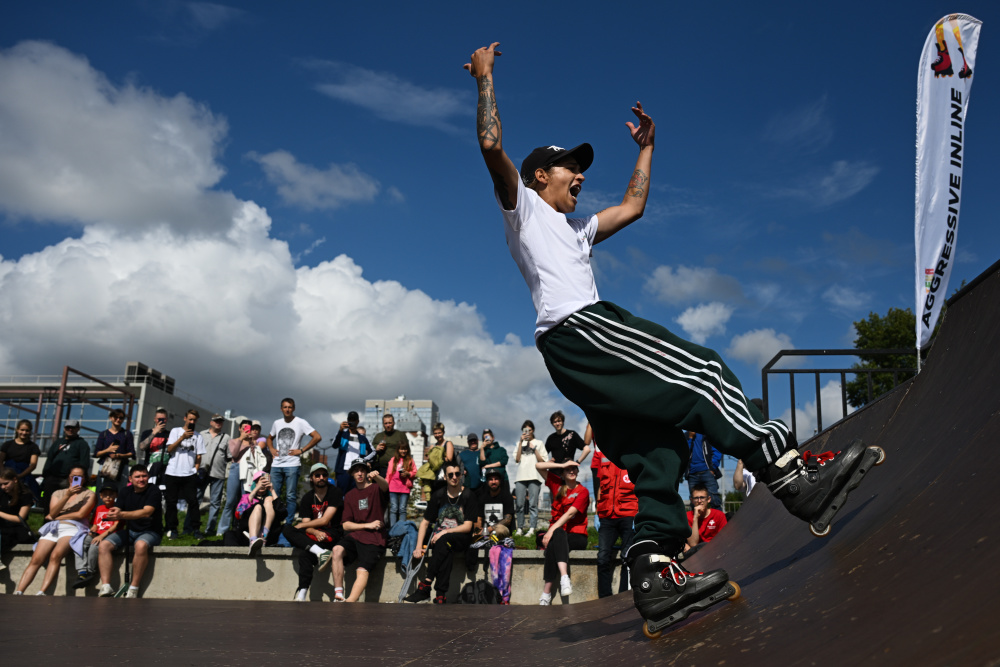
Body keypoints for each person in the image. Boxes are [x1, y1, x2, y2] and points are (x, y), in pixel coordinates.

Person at [467, 43, 875, 628]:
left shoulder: (576, 228)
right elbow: (490, 145)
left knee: (661, 453)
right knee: (703, 372)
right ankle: (790, 475)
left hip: (570, 353)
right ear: (539, 176)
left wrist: (649, 148)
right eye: (569, 168)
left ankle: (655, 571)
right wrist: (485, 79)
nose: (580, 176)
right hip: (582, 329)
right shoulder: (524, 208)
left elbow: (633, 206)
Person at [14, 466, 96, 595]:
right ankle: (19, 591)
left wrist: (58, 516)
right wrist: (67, 495)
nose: (76, 479)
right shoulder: (58, 493)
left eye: (80, 477)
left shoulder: (89, 494)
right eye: (73, 476)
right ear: (69, 477)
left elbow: (81, 515)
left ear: (84, 478)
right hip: (54, 527)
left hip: (74, 527)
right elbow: (52, 512)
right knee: (36, 559)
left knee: (55, 556)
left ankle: (42, 591)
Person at [405, 461, 477, 604]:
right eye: (451, 474)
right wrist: (419, 547)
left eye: (457, 474)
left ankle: (425, 586)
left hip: (462, 538)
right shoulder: (438, 495)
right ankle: (440, 595)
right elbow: (425, 522)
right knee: (444, 548)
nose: (454, 477)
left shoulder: (469, 495)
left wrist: (444, 532)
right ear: (445, 477)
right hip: (442, 541)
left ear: (461, 475)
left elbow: (468, 526)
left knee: (444, 541)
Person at [98, 464, 163, 598]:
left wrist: (121, 515)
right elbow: (118, 509)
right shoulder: (124, 492)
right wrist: (113, 512)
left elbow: (147, 512)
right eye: (137, 476)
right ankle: (106, 586)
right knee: (104, 545)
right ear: (130, 479)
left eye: (144, 476)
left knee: (140, 545)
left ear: (148, 477)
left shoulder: (154, 491)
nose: (141, 479)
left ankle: (134, 588)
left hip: (151, 531)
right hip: (130, 531)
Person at [282, 462, 343, 601]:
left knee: (302, 545)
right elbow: (306, 525)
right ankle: (302, 593)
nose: (321, 477)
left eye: (324, 475)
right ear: (311, 478)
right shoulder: (308, 497)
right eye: (317, 475)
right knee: (287, 530)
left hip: (332, 534)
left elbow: (325, 520)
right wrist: (315, 532)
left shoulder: (335, 492)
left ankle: (320, 552)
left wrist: (303, 526)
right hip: (315, 538)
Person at [331, 460, 389, 602]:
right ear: (352, 474)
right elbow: (345, 525)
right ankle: (338, 593)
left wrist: (377, 477)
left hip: (375, 539)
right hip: (356, 536)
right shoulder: (350, 495)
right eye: (356, 470)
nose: (360, 473)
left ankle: (350, 602)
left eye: (362, 470)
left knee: (361, 570)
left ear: (366, 472)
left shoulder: (375, 488)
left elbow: (386, 486)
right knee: (337, 549)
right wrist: (367, 525)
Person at [532, 461, 589, 605]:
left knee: (556, 535)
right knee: (556, 539)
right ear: (562, 472)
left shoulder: (583, 491)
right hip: (558, 535)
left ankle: (547, 592)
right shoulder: (557, 484)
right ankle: (563, 579)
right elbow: (538, 466)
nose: (571, 471)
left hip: (577, 535)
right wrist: (562, 464)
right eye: (568, 469)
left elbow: (570, 514)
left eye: (574, 468)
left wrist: (550, 530)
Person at [267, 398, 322, 531]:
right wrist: (272, 449)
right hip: (276, 464)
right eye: (285, 407)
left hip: (292, 464)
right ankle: (273, 523)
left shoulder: (300, 422)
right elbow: (269, 438)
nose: (287, 409)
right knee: (273, 494)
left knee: (290, 495)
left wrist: (302, 450)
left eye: (290, 407)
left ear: (294, 408)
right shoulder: (277, 423)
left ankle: (288, 524)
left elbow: (317, 437)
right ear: (281, 408)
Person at [592, 445, 637, 598]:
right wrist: (597, 512)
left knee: (628, 557)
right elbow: (601, 486)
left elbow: (640, 487)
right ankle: (605, 598)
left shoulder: (633, 455)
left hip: (629, 513)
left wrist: (638, 514)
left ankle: (624, 596)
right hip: (606, 514)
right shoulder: (606, 453)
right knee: (602, 558)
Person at [163, 409, 206, 539]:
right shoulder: (175, 431)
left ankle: (196, 529)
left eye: (194, 420)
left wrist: (195, 469)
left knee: (193, 502)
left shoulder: (198, 436)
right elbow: (169, 449)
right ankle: (172, 529)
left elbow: (199, 455)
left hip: (189, 473)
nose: (192, 422)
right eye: (190, 419)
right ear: (185, 418)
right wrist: (182, 437)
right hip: (173, 471)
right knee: (171, 502)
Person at [72, 484, 119, 589]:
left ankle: (90, 571)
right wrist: (92, 530)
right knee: (80, 543)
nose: (108, 497)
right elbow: (95, 523)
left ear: (116, 495)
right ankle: (82, 571)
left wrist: (101, 536)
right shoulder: (99, 508)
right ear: (101, 496)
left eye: (111, 494)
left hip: (109, 535)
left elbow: (116, 525)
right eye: (105, 495)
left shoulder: (117, 509)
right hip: (96, 534)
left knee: (94, 545)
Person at [217, 419, 256, 536]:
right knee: (230, 501)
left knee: (245, 501)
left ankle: (241, 528)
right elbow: (234, 455)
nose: (246, 430)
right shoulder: (233, 441)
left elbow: (255, 459)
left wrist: (252, 443)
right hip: (236, 468)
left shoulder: (253, 444)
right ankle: (222, 530)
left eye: (248, 428)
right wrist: (241, 439)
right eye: (244, 428)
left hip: (248, 471)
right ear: (239, 429)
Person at [543, 411, 591, 500]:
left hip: (568, 473)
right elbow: (543, 455)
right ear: (552, 424)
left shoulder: (572, 434)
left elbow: (587, 449)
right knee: (555, 501)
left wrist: (577, 462)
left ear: (563, 421)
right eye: (555, 422)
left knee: (569, 499)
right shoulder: (551, 438)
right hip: (554, 475)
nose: (557, 423)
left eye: (559, 421)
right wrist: (547, 462)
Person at [40, 420, 91, 501]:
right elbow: (50, 459)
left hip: (69, 479)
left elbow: (84, 463)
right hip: (53, 477)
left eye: (73, 427)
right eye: (68, 427)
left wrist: (78, 480)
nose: (70, 429)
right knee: (49, 501)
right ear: (64, 429)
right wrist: (46, 475)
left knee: (67, 502)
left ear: (77, 429)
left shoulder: (82, 443)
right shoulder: (58, 442)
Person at [513, 420, 547, 536]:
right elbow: (517, 459)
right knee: (519, 504)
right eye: (525, 430)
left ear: (533, 431)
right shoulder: (519, 443)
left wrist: (535, 448)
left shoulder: (539, 442)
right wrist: (520, 442)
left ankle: (532, 528)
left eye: (530, 430)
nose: (527, 432)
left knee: (533, 504)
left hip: (535, 475)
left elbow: (543, 461)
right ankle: (520, 528)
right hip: (520, 476)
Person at [198, 414, 230, 534]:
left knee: (215, 503)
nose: (218, 423)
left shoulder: (226, 437)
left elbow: (229, 456)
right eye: (216, 421)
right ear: (211, 422)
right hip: (201, 472)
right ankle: (191, 527)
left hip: (218, 473)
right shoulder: (201, 434)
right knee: (196, 500)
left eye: (221, 421)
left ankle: (210, 530)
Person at [237, 471, 279, 556]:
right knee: (258, 507)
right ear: (255, 483)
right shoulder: (247, 497)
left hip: (269, 534)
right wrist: (255, 490)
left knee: (269, 499)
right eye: (260, 481)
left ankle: (263, 535)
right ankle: (253, 540)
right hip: (247, 531)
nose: (263, 484)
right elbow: (239, 513)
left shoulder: (270, 498)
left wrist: (272, 490)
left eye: (265, 481)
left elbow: (281, 511)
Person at [0, 419, 41, 504]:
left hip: (23, 474)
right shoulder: (7, 444)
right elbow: (0, 460)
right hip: (6, 472)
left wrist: (19, 476)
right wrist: (4, 475)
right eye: (22, 430)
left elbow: (33, 464)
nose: (24, 432)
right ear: (17, 430)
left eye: (27, 430)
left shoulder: (33, 446)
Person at [94, 409, 136, 493]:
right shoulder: (104, 434)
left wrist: (119, 455)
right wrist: (108, 450)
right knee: (102, 491)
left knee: (120, 492)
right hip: (105, 466)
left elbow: (132, 453)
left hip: (121, 466)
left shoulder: (127, 434)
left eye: (121, 418)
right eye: (116, 417)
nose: (118, 419)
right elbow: (96, 453)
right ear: (111, 418)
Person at [332, 412, 373, 495]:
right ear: (347, 421)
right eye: (350, 420)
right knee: (340, 495)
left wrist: (365, 460)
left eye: (354, 420)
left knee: (356, 495)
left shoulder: (362, 438)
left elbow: (373, 451)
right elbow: (334, 445)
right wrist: (340, 430)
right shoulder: (342, 434)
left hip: (357, 471)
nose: (352, 422)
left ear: (358, 421)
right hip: (343, 471)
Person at [0, 469, 34, 562]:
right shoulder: (2, 494)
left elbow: (20, 518)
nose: (3, 487)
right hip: (3, 526)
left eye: (6, 483)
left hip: (16, 528)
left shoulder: (25, 495)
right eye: (0, 484)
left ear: (15, 480)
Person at [685, 431, 723, 510]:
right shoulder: (686, 436)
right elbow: (684, 454)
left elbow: (717, 450)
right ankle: (696, 522)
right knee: (694, 502)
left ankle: (720, 521)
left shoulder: (707, 434)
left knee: (714, 499)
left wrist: (712, 468)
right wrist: (690, 438)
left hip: (707, 472)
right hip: (692, 474)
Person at [386, 440, 417, 528]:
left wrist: (408, 474)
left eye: (405, 449)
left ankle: (402, 528)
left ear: (407, 450)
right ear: (398, 450)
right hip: (393, 486)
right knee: (394, 509)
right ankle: (393, 528)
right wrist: (386, 485)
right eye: (401, 449)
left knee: (402, 509)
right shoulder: (393, 460)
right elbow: (388, 474)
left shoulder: (410, 460)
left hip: (405, 487)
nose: (403, 451)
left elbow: (415, 472)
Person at [686, 484, 728, 549]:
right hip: (696, 552)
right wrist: (695, 518)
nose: (699, 501)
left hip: (715, 550)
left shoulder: (719, 515)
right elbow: (693, 544)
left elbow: (724, 540)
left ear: (708, 499)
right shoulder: (687, 516)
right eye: (696, 498)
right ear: (692, 500)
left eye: (702, 497)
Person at [137, 408, 171, 485]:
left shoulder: (170, 434)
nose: (161, 421)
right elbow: (142, 447)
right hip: (150, 467)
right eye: (159, 419)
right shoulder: (147, 433)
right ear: (155, 419)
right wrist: (154, 433)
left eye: (164, 419)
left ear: (167, 420)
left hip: (166, 469)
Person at [417, 423, 448, 501]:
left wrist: (438, 456)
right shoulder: (432, 446)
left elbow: (449, 459)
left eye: (439, 433)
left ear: (443, 432)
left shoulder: (448, 444)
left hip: (443, 477)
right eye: (435, 433)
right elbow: (429, 461)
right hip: (433, 478)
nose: (437, 435)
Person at [371, 413, 409, 479]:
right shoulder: (378, 436)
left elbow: (407, 450)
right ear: (383, 424)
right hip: (382, 469)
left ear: (394, 423)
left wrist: (406, 466)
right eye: (386, 423)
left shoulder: (400, 435)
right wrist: (376, 448)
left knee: (395, 488)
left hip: (397, 468)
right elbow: (371, 449)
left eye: (390, 423)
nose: (388, 425)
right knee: (382, 488)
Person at [479, 429, 510, 494]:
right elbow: (482, 463)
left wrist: (488, 466)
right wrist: (482, 449)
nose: (487, 439)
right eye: (485, 438)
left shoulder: (501, 450)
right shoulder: (483, 451)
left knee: (505, 500)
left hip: (502, 479)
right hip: (489, 481)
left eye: (488, 437)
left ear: (493, 438)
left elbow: (504, 461)